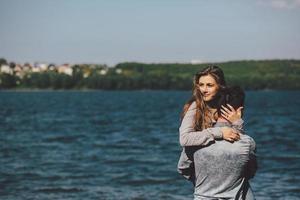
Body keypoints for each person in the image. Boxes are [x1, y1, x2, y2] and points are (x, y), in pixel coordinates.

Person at [177, 66, 257, 199]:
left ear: (220, 86)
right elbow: (184, 139)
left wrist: (237, 123)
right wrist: (218, 132)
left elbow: (236, 141)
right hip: (204, 161)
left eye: (209, 85)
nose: (204, 89)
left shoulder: (226, 103)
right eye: (201, 85)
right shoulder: (196, 106)